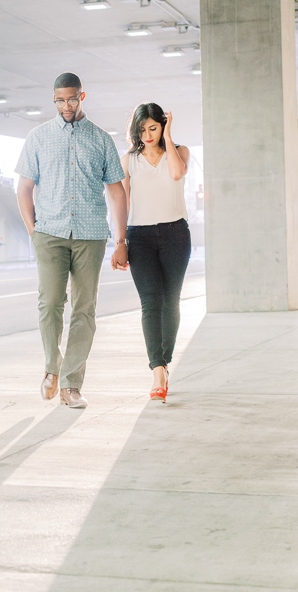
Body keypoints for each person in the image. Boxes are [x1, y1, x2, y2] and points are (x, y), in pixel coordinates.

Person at [16, 72, 128, 408]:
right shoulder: (38, 137)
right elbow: (24, 187)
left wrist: (122, 239)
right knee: (50, 302)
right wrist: (32, 230)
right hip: (49, 233)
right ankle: (52, 366)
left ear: (82, 96)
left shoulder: (101, 140)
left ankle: (71, 384)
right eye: (59, 100)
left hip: (91, 235)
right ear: (54, 100)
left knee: (84, 309)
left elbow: (117, 191)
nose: (66, 105)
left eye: (71, 99)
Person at [119, 103, 191, 402]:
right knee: (151, 302)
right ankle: (157, 370)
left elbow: (176, 174)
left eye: (153, 128)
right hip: (140, 237)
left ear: (162, 126)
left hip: (175, 233)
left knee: (170, 301)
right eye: (142, 129)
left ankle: (164, 359)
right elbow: (122, 203)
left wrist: (170, 136)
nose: (147, 135)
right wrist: (120, 242)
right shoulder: (128, 160)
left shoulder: (180, 151)